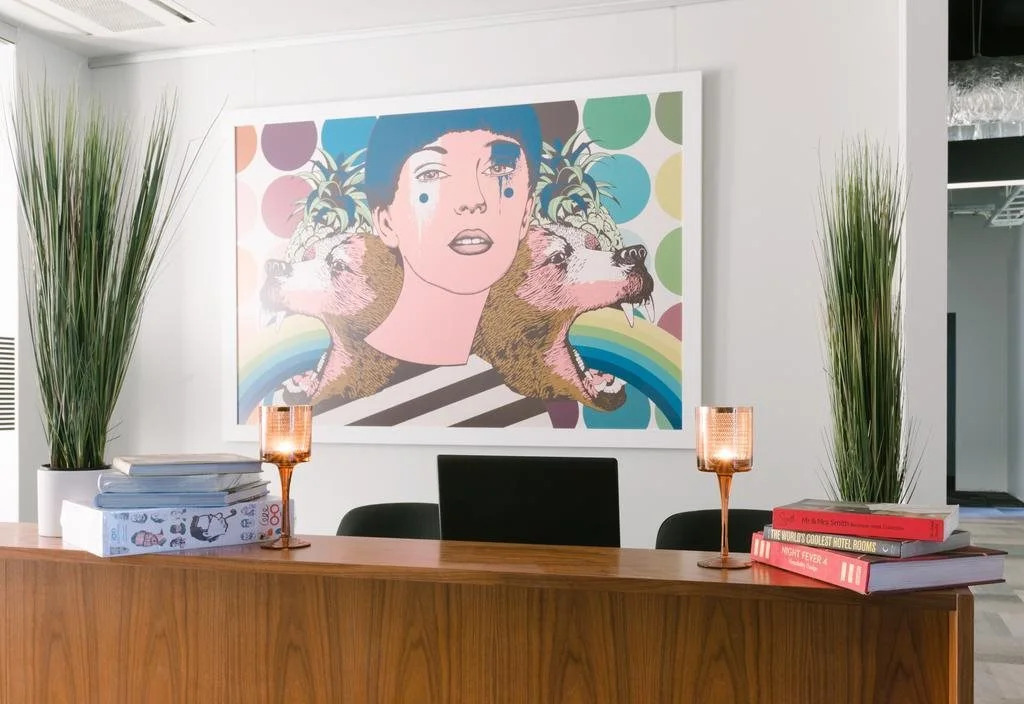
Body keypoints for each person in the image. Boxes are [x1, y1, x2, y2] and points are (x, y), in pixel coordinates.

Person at [363, 105, 542, 365]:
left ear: (526, 213)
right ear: (386, 223)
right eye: (432, 173)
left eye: (499, 168)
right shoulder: (351, 379)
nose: (473, 200)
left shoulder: (521, 374)